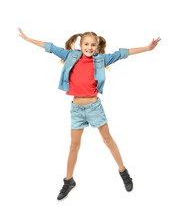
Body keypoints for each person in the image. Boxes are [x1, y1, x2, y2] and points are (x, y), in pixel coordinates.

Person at [18, 28, 161, 200]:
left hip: (94, 108)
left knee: (108, 140)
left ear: (98, 46)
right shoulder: (70, 56)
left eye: (93, 45)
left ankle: (123, 172)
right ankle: (68, 181)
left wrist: (147, 48)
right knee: (73, 146)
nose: (89, 47)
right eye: (86, 44)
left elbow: (124, 53)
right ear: (80, 44)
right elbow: (50, 47)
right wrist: (28, 39)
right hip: (76, 110)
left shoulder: (101, 59)